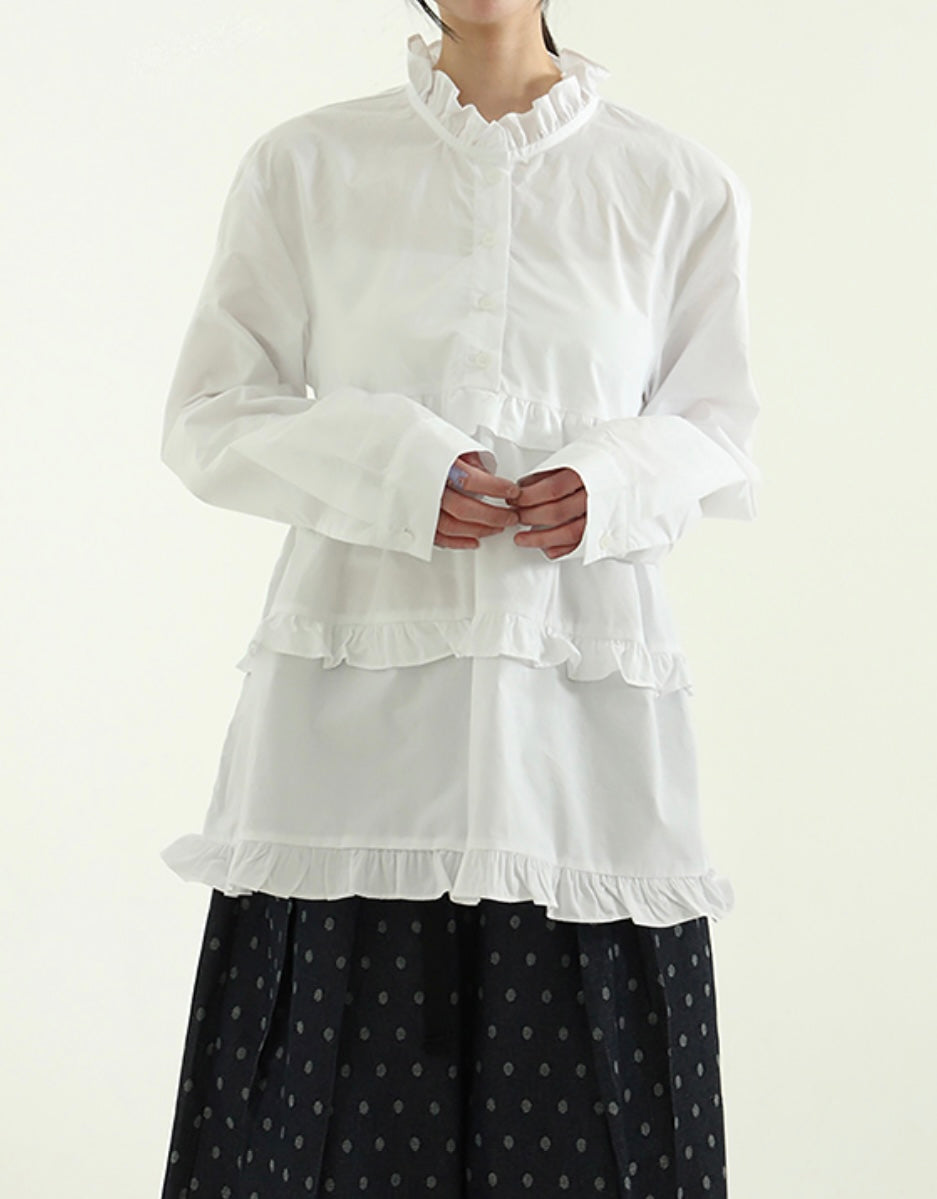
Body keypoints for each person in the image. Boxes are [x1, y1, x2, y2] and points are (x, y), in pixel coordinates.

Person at [157, 2, 761, 1195]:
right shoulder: (307, 166)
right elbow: (209, 416)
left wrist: (610, 483)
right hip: (347, 772)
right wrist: (393, 471)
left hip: (580, 774)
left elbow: (718, 429)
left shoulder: (673, 184)